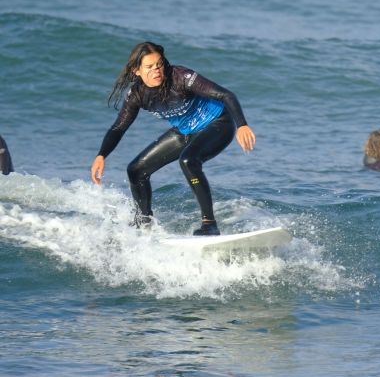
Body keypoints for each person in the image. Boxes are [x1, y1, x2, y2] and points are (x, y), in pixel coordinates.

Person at [91, 41, 256, 235]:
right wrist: (102, 155)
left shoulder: (181, 76)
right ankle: (144, 223)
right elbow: (119, 128)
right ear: (137, 71)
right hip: (186, 131)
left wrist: (242, 125)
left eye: (159, 64)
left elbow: (225, 95)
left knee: (188, 160)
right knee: (136, 170)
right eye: (149, 67)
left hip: (218, 123)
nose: (157, 70)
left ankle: (209, 225)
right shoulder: (137, 94)